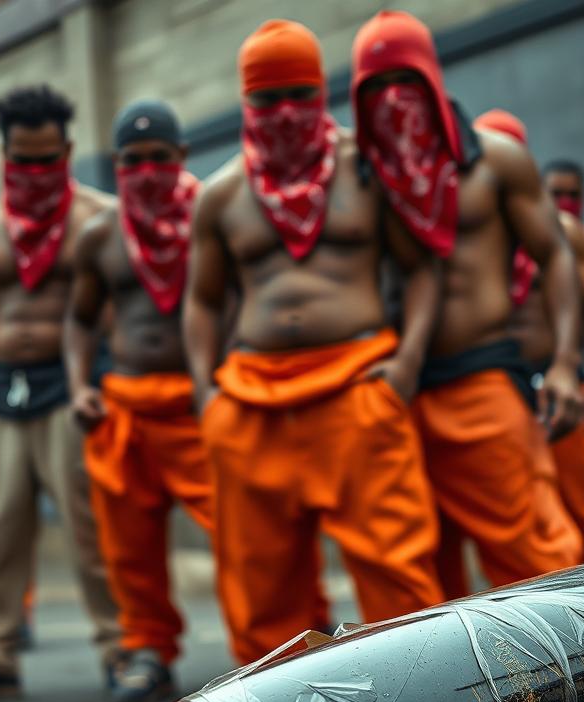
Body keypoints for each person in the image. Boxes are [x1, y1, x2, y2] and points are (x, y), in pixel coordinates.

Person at [184, 19, 444, 665]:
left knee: (397, 573)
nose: (283, 115)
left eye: (298, 95)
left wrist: (406, 365)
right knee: (260, 586)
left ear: (322, 92)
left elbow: (422, 268)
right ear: (245, 104)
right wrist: (205, 397)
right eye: (265, 100)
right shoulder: (220, 195)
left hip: (357, 383)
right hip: (248, 400)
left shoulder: (369, 169)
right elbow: (202, 301)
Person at [350, 14, 582, 600]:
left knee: (534, 553)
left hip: (482, 374)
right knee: (421, 572)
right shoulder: (362, 174)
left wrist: (564, 362)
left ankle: (578, 683)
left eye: (402, 79)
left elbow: (555, 255)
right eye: (373, 86)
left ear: (430, 76)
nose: (390, 98)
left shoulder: (497, 160)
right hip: (394, 386)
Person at [0, 85, 120, 702]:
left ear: (68, 150)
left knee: (94, 532)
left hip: (73, 393)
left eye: (48, 160)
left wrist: (108, 388)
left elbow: (118, 312)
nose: (36, 173)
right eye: (24, 161)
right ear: (4, 155)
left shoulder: (99, 218)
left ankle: (121, 651)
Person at [64, 99, 211, 702]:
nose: (146, 171)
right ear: (116, 165)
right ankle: (148, 652)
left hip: (200, 404)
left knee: (250, 535)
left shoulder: (215, 214)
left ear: (181, 158)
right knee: (129, 548)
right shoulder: (101, 234)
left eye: (159, 158)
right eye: (132, 161)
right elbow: (78, 322)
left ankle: (274, 647)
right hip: (124, 404)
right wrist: (80, 387)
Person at [498, 139, 584, 564]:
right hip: (504, 387)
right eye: (556, 193)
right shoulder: (480, 234)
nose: (564, 203)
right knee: (524, 518)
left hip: (560, 380)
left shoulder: (564, 236)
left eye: (572, 194)